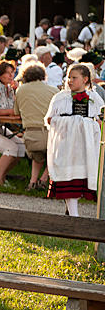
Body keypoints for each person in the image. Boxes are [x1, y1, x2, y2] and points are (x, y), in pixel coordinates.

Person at [45, 63, 105, 216]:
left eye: (74, 78)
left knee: (80, 178)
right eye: (68, 77)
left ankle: (71, 210)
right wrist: (70, 122)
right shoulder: (60, 98)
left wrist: (93, 123)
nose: (70, 81)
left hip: (86, 147)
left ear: (85, 79)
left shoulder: (94, 98)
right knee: (69, 179)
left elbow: (101, 120)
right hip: (66, 146)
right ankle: (74, 214)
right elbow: (49, 120)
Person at [13, 63, 56, 191]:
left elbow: (16, 112)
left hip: (31, 135)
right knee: (55, 154)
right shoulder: (54, 90)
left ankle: (32, 182)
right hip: (51, 134)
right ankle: (43, 179)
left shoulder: (21, 90)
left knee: (37, 156)